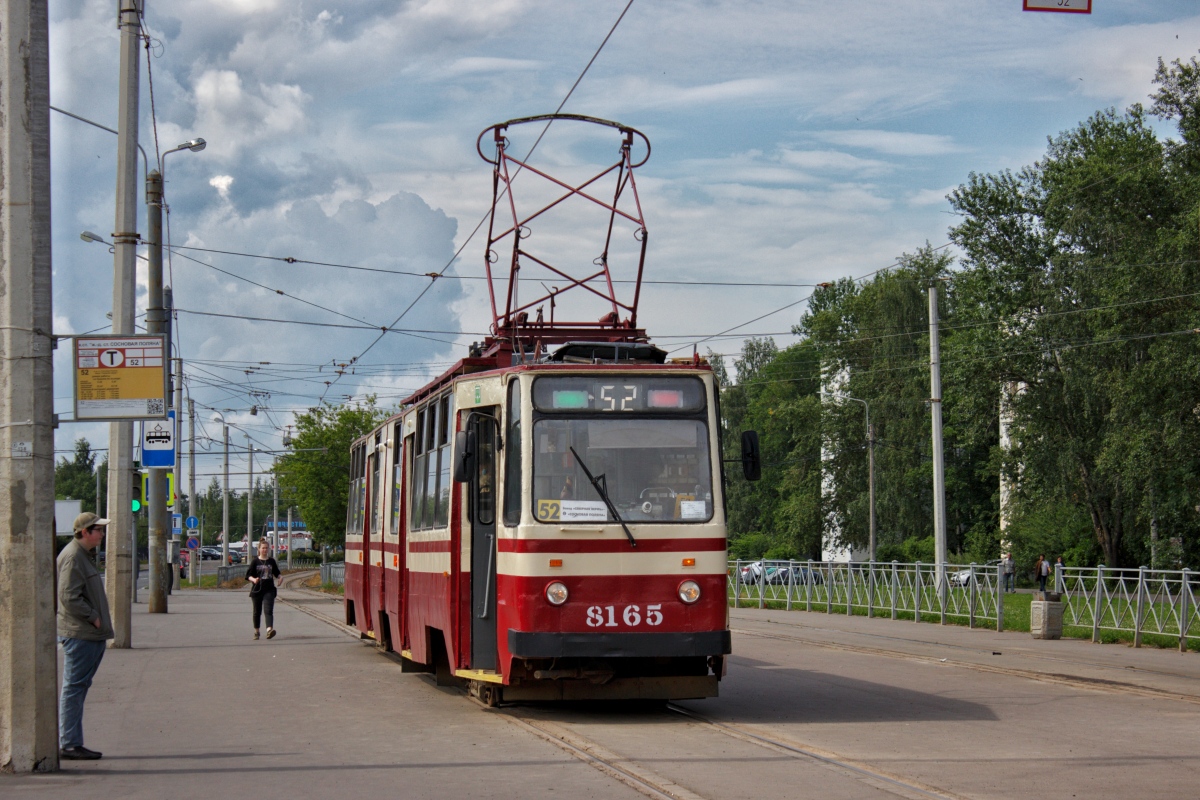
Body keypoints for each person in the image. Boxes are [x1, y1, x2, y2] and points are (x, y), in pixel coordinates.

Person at [57, 512, 115, 761]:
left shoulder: (82, 555)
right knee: (73, 688)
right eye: (98, 530)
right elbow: (69, 596)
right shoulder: (73, 557)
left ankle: (72, 741)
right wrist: (93, 617)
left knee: (78, 687)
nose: (102, 534)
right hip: (81, 634)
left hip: (88, 634)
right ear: (84, 532)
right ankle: (69, 743)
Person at [246, 539, 281, 640]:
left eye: (266, 548)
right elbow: (248, 575)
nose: (265, 550)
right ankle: (257, 631)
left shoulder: (271, 561)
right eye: (263, 548)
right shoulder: (255, 561)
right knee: (257, 611)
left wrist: (280, 577)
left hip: (269, 589)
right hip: (257, 590)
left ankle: (269, 630)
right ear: (259, 549)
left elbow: (276, 572)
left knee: (268, 610)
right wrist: (254, 579)